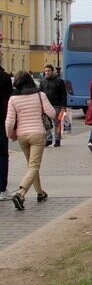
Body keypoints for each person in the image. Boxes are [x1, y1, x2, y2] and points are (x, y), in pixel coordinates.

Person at [5, 71, 55, 209]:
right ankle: (21, 194)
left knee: (31, 165)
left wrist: (11, 135)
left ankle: (40, 192)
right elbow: (52, 113)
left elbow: (9, 122)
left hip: (22, 135)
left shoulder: (13, 99)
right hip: (37, 134)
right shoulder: (40, 95)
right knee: (34, 166)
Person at [39, 63, 68, 147]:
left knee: (57, 123)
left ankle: (57, 140)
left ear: (52, 71)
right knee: (46, 123)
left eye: (49, 71)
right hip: (46, 106)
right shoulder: (42, 81)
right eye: (46, 71)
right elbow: (40, 93)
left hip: (57, 106)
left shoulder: (59, 81)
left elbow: (63, 94)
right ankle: (49, 139)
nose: (47, 72)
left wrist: (64, 106)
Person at [0, 50, 13, 200]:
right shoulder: (4, 77)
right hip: (1, 120)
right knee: (3, 155)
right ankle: (2, 189)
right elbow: (8, 100)